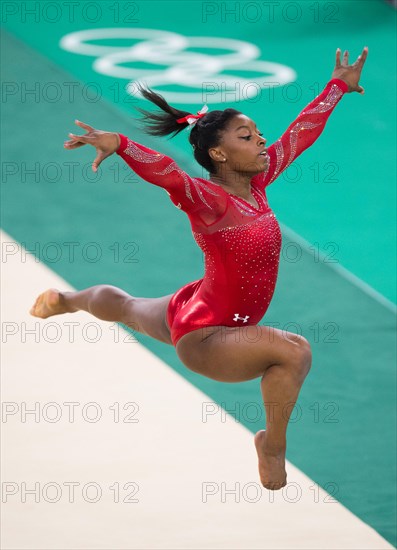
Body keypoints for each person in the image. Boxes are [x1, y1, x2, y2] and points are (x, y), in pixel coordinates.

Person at [30, 47, 368, 490]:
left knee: (127, 306)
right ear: (220, 155)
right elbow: (169, 173)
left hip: (195, 305)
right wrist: (123, 144)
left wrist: (338, 85)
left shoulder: (257, 186)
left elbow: (300, 133)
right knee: (294, 351)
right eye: (246, 137)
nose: (262, 141)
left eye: (257, 133)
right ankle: (272, 445)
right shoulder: (211, 201)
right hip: (207, 337)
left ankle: (65, 299)